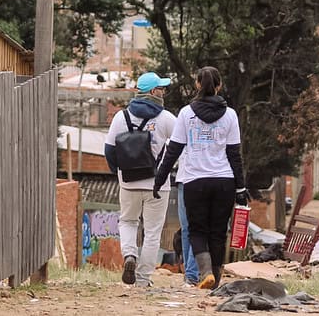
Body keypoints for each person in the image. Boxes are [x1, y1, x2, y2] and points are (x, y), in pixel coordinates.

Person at [154, 66, 247, 290]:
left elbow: (173, 150)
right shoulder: (230, 115)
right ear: (219, 86)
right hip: (224, 181)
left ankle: (205, 272)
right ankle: (215, 278)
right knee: (218, 232)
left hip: (195, 181)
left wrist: (159, 179)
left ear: (197, 84)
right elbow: (234, 154)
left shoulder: (186, 113)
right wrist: (241, 188)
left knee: (197, 230)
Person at [104, 71, 177, 287]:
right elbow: (181, 144)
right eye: (161, 89)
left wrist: (118, 172)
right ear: (153, 91)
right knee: (152, 232)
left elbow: (109, 150)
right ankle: (143, 279)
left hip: (128, 182)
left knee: (128, 221)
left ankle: (129, 255)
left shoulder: (121, 117)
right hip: (157, 184)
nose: (163, 92)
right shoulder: (166, 118)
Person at [176, 151, 199, 285]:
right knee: (196, 229)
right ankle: (191, 274)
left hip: (183, 179)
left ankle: (189, 273)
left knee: (187, 230)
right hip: (202, 177)